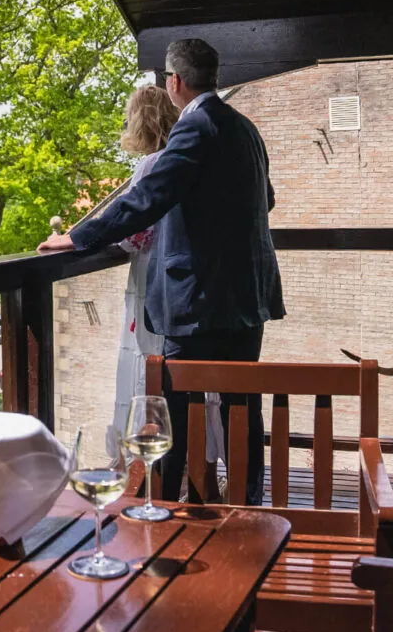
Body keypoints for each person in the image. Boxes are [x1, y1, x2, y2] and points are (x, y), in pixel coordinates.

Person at [40, 38, 283, 506]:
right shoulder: (245, 128)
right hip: (249, 295)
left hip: (198, 300)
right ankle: (247, 503)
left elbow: (147, 199)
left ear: (175, 82)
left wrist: (77, 237)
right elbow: (265, 200)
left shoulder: (195, 128)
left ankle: (166, 504)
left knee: (175, 406)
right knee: (241, 404)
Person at [106, 86, 225, 499]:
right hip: (191, 291)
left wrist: (83, 239)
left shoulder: (152, 166)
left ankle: (156, 484)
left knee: (156, 378)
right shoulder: (191, 161)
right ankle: (202, 477)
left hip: (156, 288)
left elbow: (133, 233)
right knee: (193, 383)